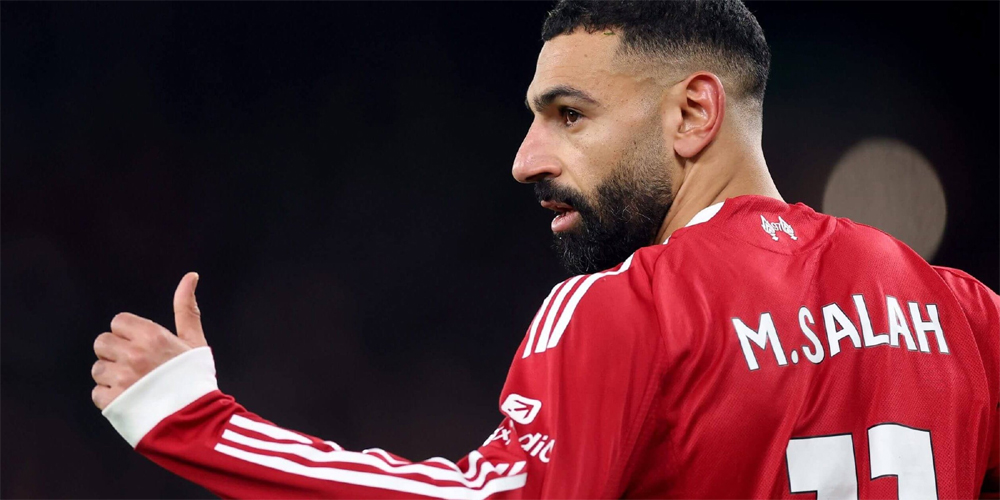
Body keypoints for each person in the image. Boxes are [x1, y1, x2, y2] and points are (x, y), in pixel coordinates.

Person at [91, 1, 999, 497]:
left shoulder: (631, 308)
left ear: (693, 113)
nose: (527, 159)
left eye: (569, 115)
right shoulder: (962, 311)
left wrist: (194, 418)